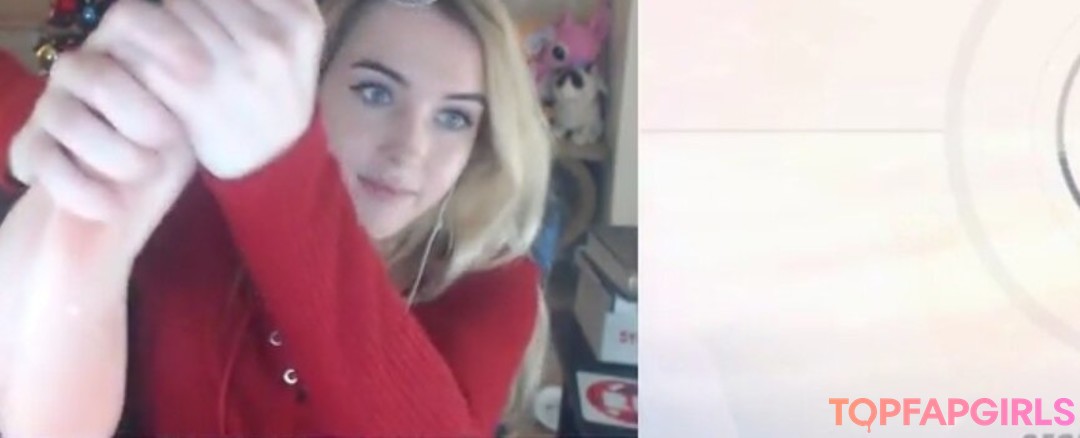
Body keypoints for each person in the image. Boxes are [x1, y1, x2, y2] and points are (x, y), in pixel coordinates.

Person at [0, 0, 552, 435]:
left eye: (453, 118)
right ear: (307, 85)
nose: (410, 149)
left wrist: (280, 174)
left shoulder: (490, 285)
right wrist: (42, 141)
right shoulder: (199, 209)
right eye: (375, 92)